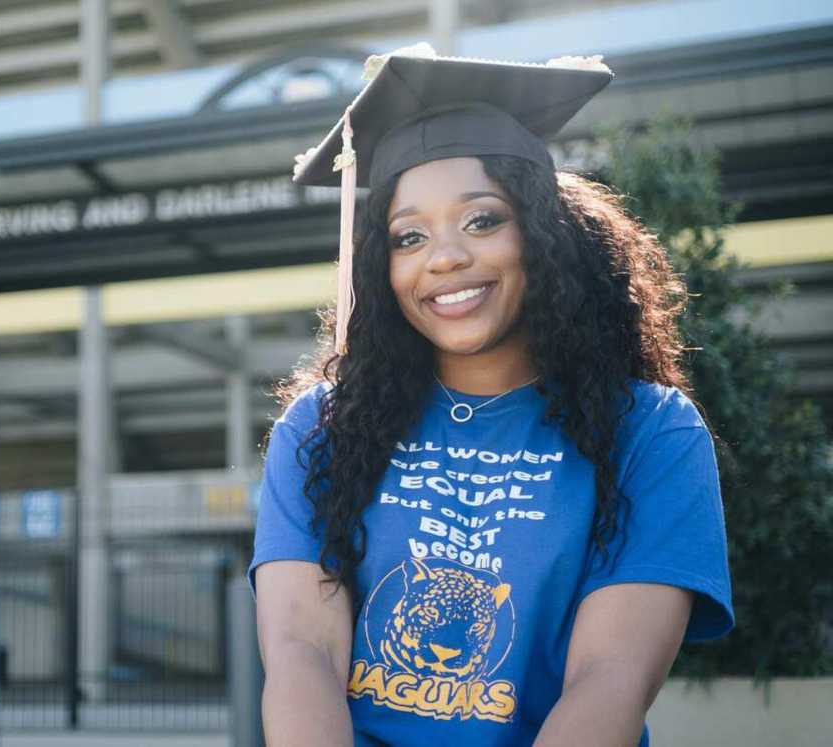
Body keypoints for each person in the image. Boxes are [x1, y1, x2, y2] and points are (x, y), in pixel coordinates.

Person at [247, 44, 734, 747]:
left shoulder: (651, 431)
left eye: (481, 220)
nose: (444, 257)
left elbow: (611, 677)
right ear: (382, 267)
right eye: (408, 236)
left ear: (539, 234)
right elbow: (302, 653)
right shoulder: (319, 428)